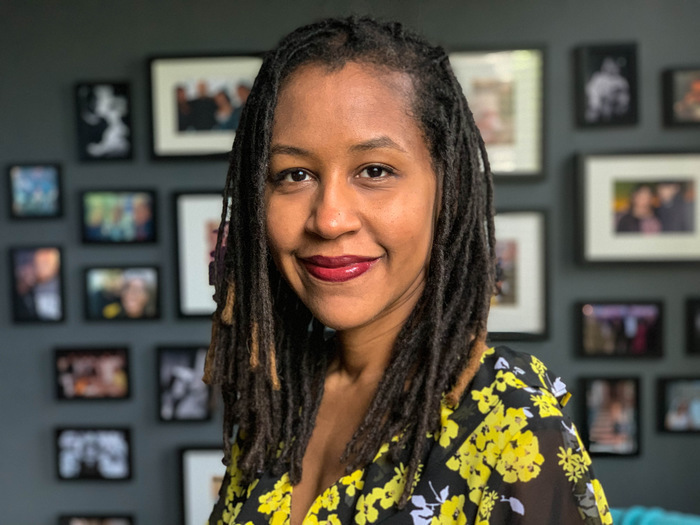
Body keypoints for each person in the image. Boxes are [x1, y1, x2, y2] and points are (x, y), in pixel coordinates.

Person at [205, 16, 611, 524]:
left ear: (447, 189)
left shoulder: (508, 417)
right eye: (295, 174)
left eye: (374, 170)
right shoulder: (277, 400)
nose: (329, 219)